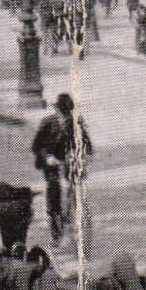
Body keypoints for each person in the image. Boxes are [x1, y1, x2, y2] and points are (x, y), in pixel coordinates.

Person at [31, 93, 93, 243]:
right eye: (62, 112)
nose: (65, 117)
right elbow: (36, 146)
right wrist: (47, 157)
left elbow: (87, 146)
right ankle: (55, 222)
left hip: (69, 161)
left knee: (76, 182)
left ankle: (77, 212)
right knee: (54, 186)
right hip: (51, 161)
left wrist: (84, 155)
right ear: (57, 111)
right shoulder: (48, 123)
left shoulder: (77, 124)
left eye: (68, 113)